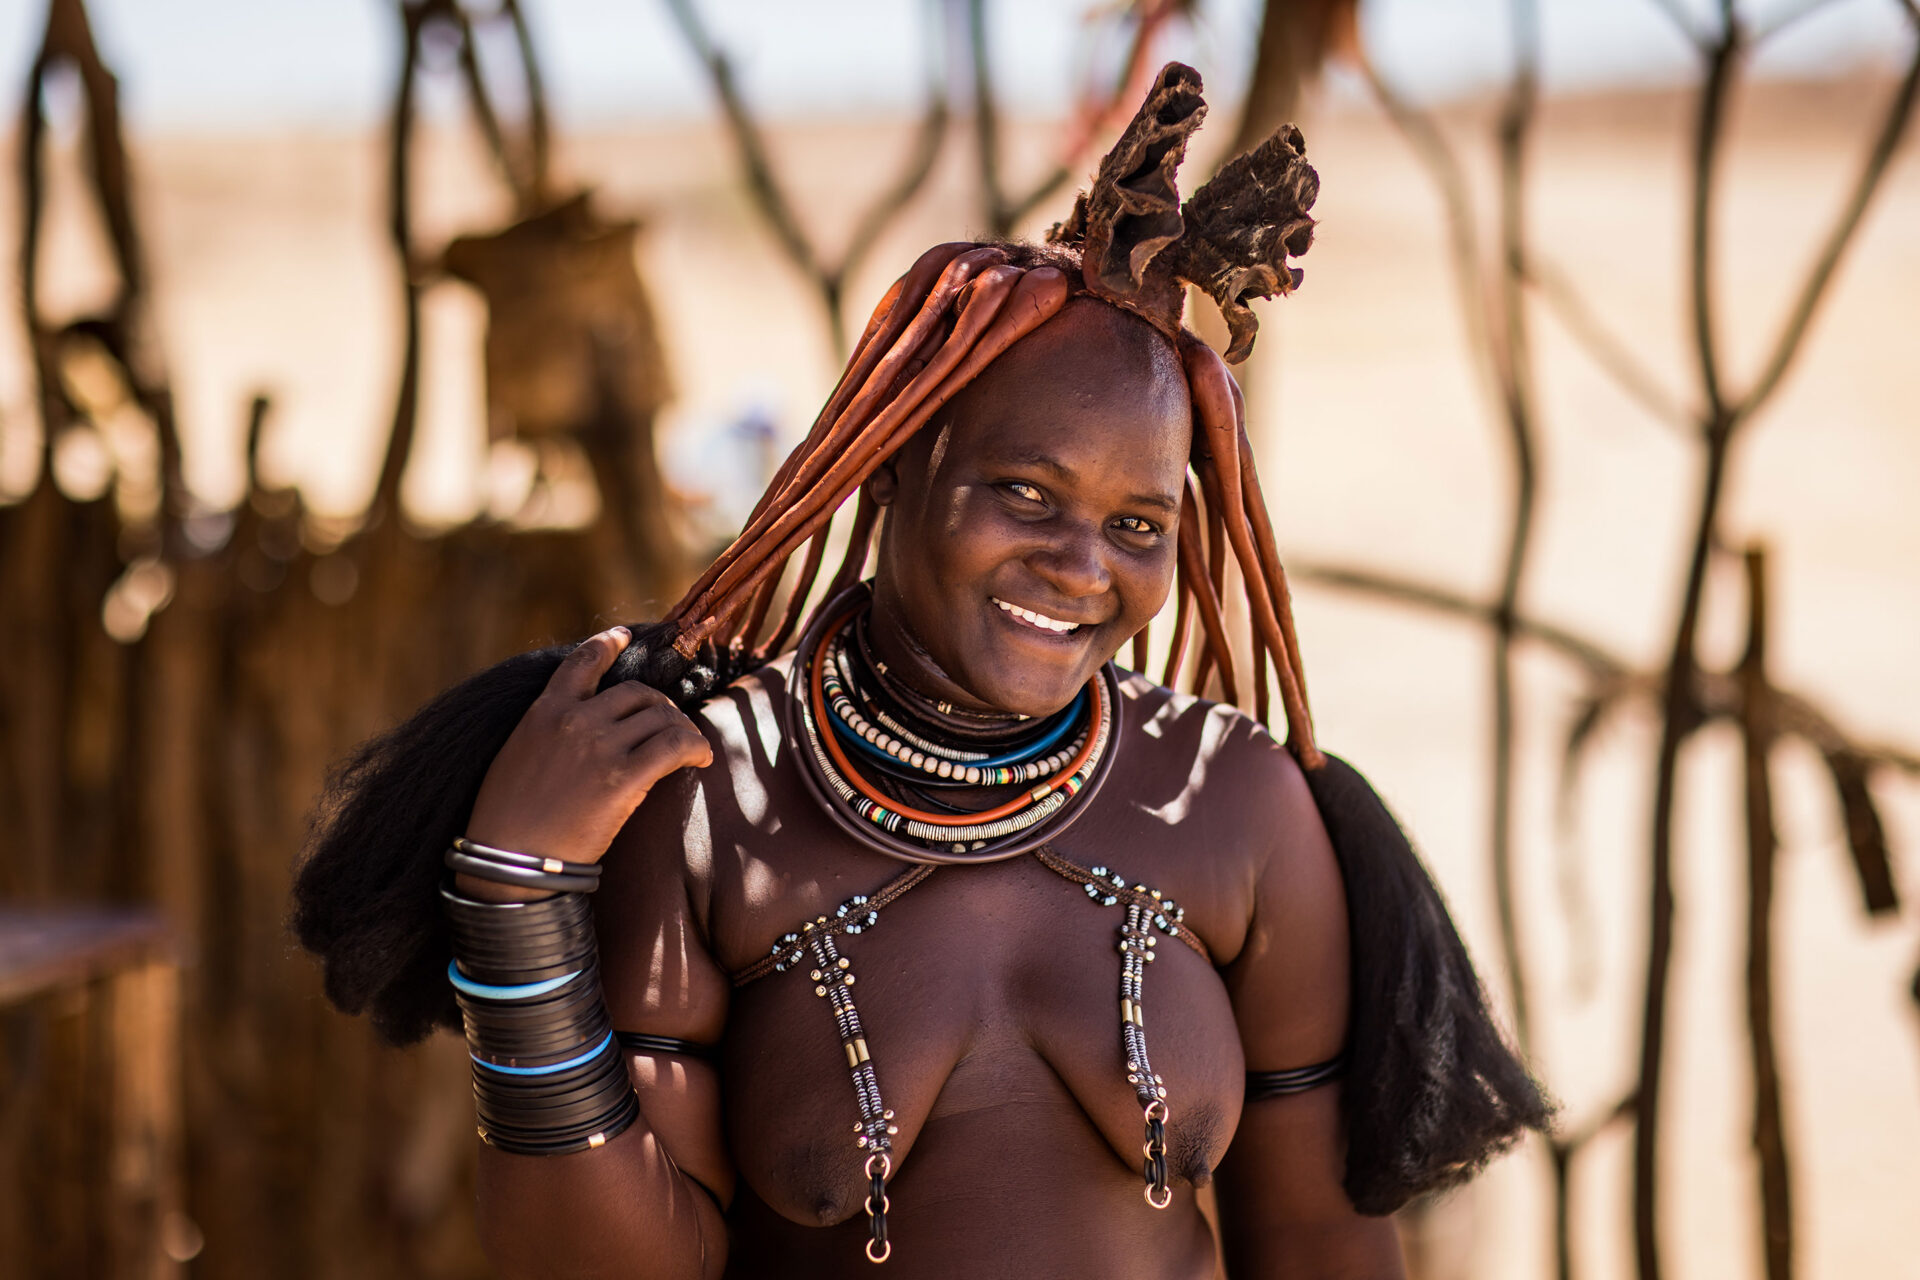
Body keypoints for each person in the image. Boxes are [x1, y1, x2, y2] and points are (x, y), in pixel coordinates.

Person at [293, 64, 1549, 1280]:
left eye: (1138, 524)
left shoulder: (1238, 806)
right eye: (1023, 492)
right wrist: (518, 892)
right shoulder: (712, 806)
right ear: (892, 464)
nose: (1078, 566)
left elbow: (1323, 1246)